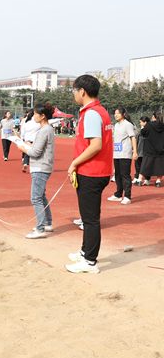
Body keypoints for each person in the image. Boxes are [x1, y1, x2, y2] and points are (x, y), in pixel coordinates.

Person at [66, 75, 113, 274]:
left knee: (90, 219)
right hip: (95, 171)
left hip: (92, 172)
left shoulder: (92, 113)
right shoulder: (99, 111)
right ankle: (85, 251)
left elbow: (96, 145)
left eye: (74, 91)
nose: (74, 94)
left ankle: (90, 261)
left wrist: (74, 163)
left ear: (82, 91)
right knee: (87, 217)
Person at [17, 102, 56, 239]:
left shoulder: (45, 130)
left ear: (43, 116)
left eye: (35, 114)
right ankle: (47, 223)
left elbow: (36, 152)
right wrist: (30, 145)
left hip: (40, 167)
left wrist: (23, 148)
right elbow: (38, 148)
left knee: (36, 198)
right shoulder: (46, 129)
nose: (33, 116)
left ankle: (40, 229)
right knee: (41, 196)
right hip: (41, 166)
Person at [107, 108, 137, 205]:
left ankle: (127, 196)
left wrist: (135, 152)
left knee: (125, 175)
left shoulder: (128, 125)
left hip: (125, 153)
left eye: (118, 113)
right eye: (115, 113)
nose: (116, 115)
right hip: (117, 153)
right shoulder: (116, 125)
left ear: (124, 114)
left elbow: (133, 138)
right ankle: (118, 194)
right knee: (118, 175)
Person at [139, 112, 164, 188]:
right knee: (160, 167)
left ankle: (139, 180)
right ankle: (158, 182)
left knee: (145, 165)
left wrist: (142, 128)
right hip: (161, 150)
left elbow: (142, 133)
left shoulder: (149, 125)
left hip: (149, 149)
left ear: (154, 117)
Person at [133, 116, 150, 185]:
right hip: (139, 150)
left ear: (145, 122)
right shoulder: (140, 130)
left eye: (141, 122)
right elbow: (137, 139)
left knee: (146, 166)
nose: (140, 123)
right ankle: (137, 177)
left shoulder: (149, 130)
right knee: (137, 165)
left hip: (146, 151)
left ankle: (147, 179)